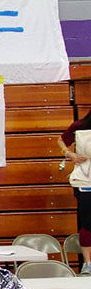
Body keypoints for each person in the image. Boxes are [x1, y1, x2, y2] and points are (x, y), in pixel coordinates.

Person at [58, 109, 91, 274]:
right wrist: (69, 154)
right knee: (88, 221)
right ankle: (88, 263)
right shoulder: (80, 126)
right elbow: (61, 140)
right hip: (85, 179)